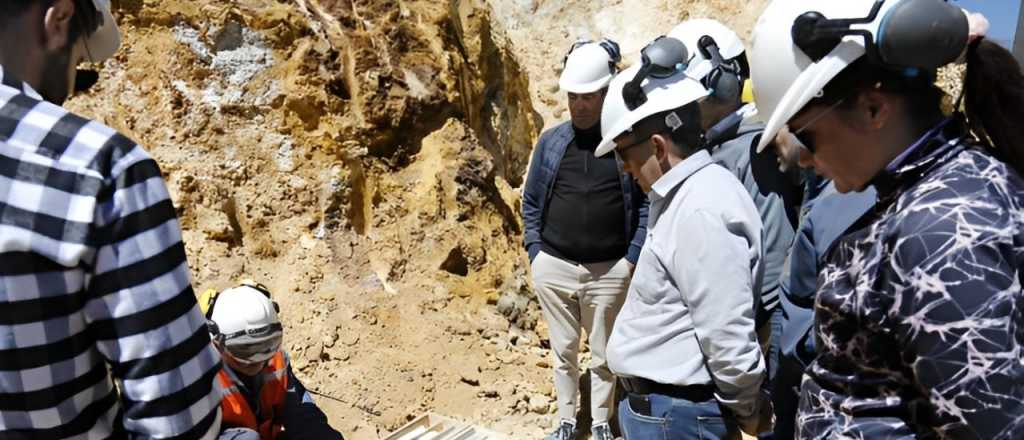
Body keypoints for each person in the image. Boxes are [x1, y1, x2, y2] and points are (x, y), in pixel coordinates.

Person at [749, 0, 1024, 438]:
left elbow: (993, 427)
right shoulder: (923, 201)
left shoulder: (941, 231)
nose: (802, 159)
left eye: (805, 135)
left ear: (873, 109)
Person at [0, 0, 223, 438]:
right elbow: (179, 420)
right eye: (79, 67)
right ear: (59, 19)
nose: (68, 91)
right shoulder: (97, 170)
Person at [596, 36, 771, 440]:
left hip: (678, 418)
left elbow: (727, 334)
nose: (624, 169)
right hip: (666, 414)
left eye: (624, 154)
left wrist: (748, 411)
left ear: (657, 146)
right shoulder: (681, 197)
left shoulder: (701, 209)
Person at [522, 37, 647, 440]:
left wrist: (630, 258)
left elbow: (644, 204)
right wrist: (535, 252)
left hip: (610, 271)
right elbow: (531, 202)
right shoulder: (552, 142)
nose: (579, 105)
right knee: (563, 354)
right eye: (574, 96)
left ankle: (600, 423)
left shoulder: (624, 143)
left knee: (603, 355)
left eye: (588, 97)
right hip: (554, 267)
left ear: (605, 93)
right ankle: (565, 421)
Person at [668, 18, 803, 390]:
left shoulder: (754, 147)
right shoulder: (718, 145)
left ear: (722, 84)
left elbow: (771, 253)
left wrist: (745, 332)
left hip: (761, 324)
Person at [202, 283, 343, 440]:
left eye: (267, 344)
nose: (257, 360)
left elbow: (300, 414)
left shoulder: (276, 362)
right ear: (216, 343)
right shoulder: (198, 377)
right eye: (245, 349)